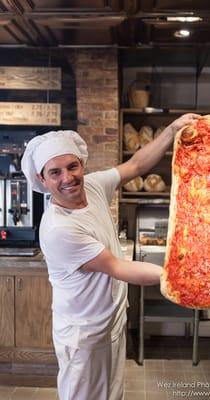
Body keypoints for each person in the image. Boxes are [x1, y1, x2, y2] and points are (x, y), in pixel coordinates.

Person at [21, 113, 199, 400]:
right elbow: (117, 267)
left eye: (72, 166)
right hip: (84, 335)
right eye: (55, 172)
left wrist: (172, 130)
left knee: (113, 395)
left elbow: (136, 164)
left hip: (111, 321)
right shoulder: (59, 228)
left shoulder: (92, 185)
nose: (68, 178)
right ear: (42, 178)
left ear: (82, 164)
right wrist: (176, 277)